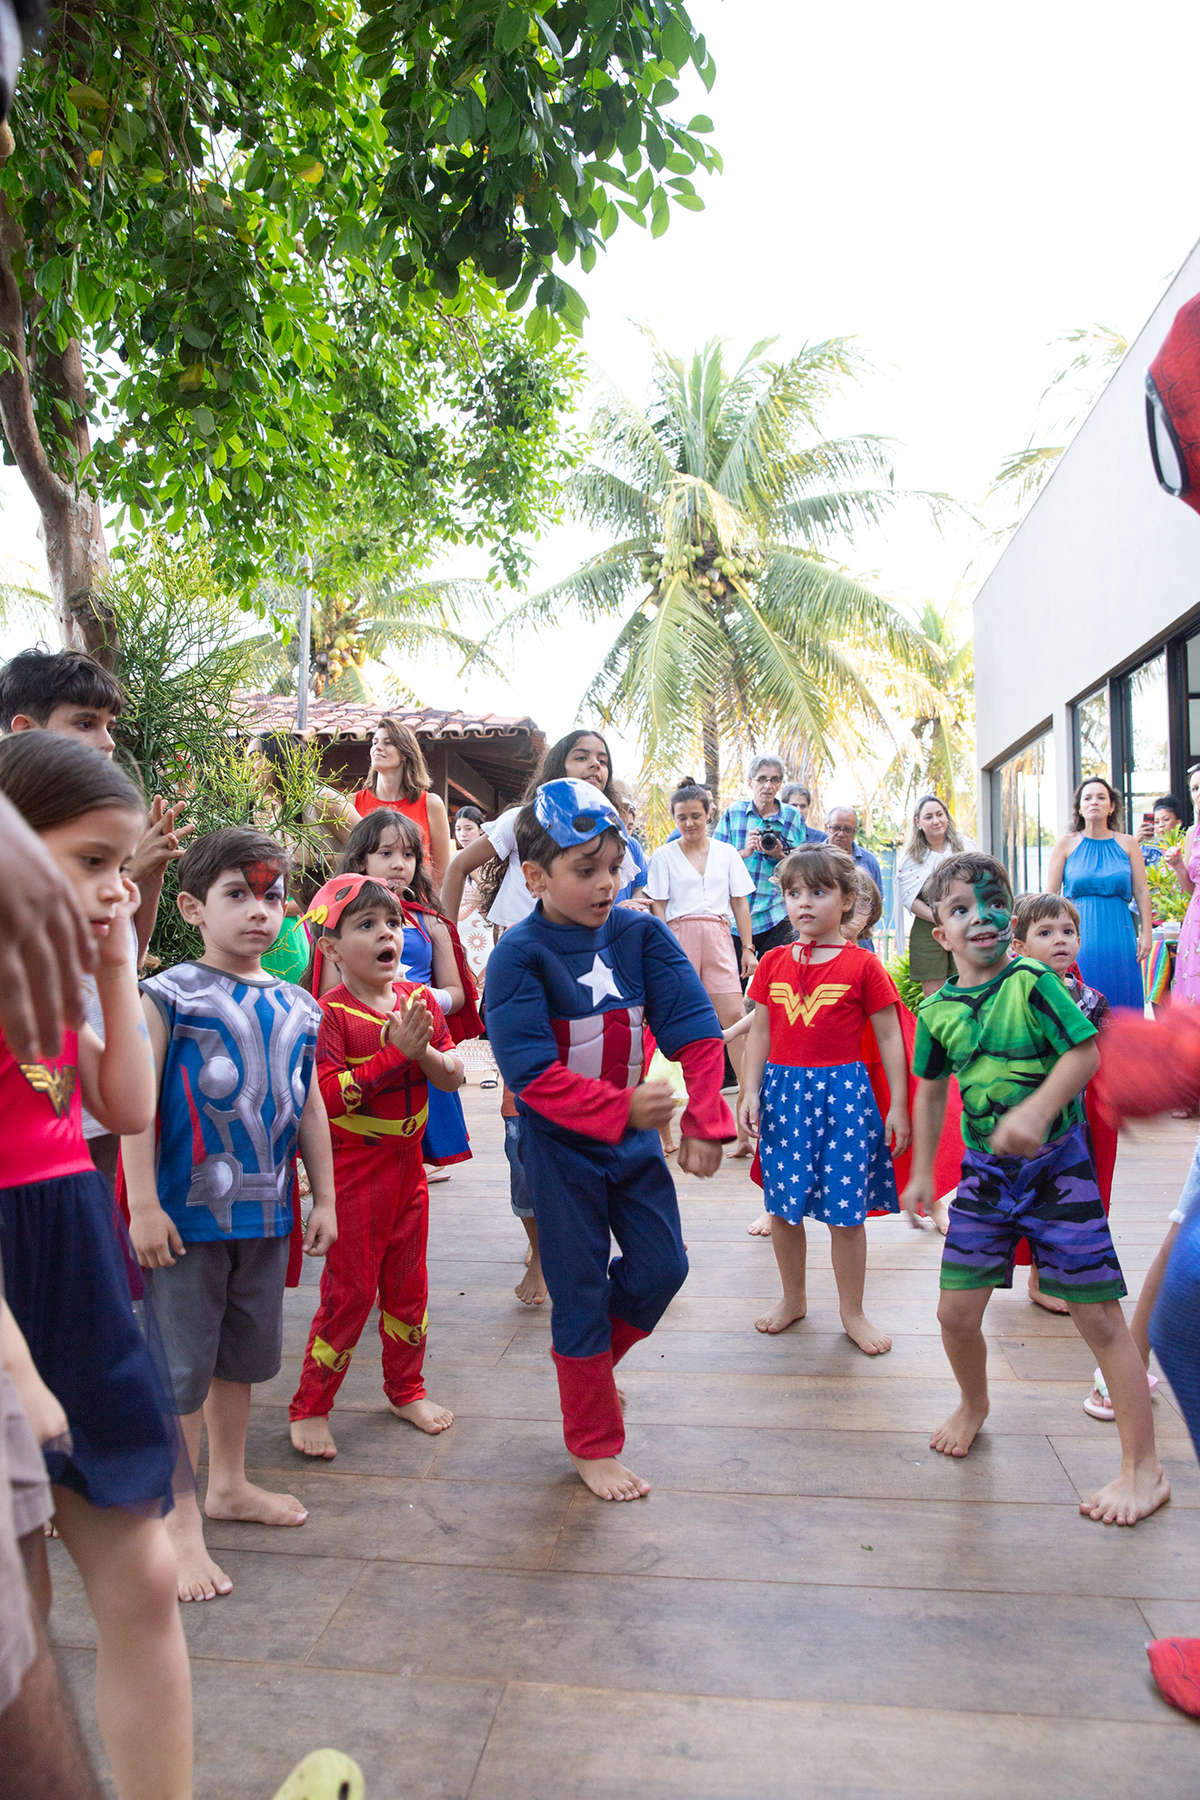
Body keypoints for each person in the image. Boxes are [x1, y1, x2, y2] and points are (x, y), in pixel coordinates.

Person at [0, 733, 195, 1798]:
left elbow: (122, 1105)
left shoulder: (50, 979)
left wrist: (118, 965)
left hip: (75, 1261)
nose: (117, 888)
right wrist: (18, 1371)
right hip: (10, 1308)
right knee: (16, 1621)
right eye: (90, 862)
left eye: (123, 867)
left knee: (147, 1579)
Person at [901, 850, 1169, 1525]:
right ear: (943, 934)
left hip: (1058, 1170)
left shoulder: (1033, 981)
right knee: (954, 1315)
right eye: (962, 909)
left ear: (1011, 917)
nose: (981, 919)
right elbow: (931, 1089)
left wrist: (1037, 1109)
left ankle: (1145, 1468)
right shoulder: (939, 1012)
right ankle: (974, 1402)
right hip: (987, 1180)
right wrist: (921, 1172)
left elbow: (1084, 1053)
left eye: (994, 904)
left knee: (1100, 1319)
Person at [485, 779, 734, 1500]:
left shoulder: (641, 933)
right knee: (580, 1292)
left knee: (664, 1269)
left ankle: (589, 1374)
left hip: (629, 1148)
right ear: (535, 877)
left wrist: (707, 1117)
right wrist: (626, 1109)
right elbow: (530, 1077)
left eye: (614, 866)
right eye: (583, 869)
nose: (606, 883)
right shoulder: (518, 958)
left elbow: (693, 1028)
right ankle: (591, 1440)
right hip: (559, 1154)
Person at [123, 827, 338, 1604]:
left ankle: (231, 1485)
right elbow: (135, 1104)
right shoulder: (170, 993)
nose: (259, 911)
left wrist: (326, 1194)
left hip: (265, 1217)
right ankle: (179, 1519)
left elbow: (309, 1102)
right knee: (181, 1371)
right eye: (238, 894)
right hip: (183, 1219)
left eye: (273, 896)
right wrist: (142, 1202)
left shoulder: (299, 1003)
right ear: (191, 906)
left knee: (240, 1360)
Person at [441, 730, 641, 1305]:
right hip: (527, 984)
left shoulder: (614, 831)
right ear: (557, 764)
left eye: (603, 758)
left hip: (590, 987)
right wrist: (444, 947)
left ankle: (586, 1245)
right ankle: (538, 1248)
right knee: (523, 1118)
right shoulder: (521, 818)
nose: (594, 766)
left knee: (590, 1109)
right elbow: (457, 866)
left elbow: (628, 905)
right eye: (582, 755)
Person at [0, 648, 195, 1182]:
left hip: (73, 1177)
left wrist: (117, 958)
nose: (107, 741)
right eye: (86, 722)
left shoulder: (51, 994)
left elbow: (130, 1111)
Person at [289, 875, 463, 1457]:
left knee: (409, 1286)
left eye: (391, 923)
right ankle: (311, 1406)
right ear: (332, 948)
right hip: (355, 1172)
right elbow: (329, 1097)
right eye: (365, 925)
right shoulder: (329, 1015)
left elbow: (453, 1074)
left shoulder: (418, 1001)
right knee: (351, 1293)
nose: (386, 933)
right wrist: (397, 1057)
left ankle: (405, 1388)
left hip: (408, 1168)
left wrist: (427, 1055)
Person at [739, 845, 911, 1354]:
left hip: (845, 1099)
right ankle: (793, 1298)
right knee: (783, 1208)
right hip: (784, 1096)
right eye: (794, 894)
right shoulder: (771, 962)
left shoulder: (863, 966)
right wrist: (749, 1090)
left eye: (819, 892)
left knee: (845, 1213)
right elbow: (761, 1034)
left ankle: (852, 1311)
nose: (804, 904)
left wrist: (897, 1105)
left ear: (848, 899)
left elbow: (890, 1038)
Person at [330, 811, 476, 1180]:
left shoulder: (431, 921)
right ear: (360, 859)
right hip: (359, 1051)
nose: (399, 864)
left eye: (409, 855)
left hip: (422, 1040)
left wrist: (421, 999)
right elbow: (326, 993)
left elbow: (457, 993)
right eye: (386, 853)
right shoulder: (335, 926)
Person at [1009, 893, 1120, 1327]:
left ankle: (1058, 1277)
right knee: (1032, 1197)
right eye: (1045, 932)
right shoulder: (1011, 994)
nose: (1060, 940)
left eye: (1068, 932)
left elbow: (1107, 1056)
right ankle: (1035, 1278)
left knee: (1070, 1201)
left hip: (1077, 1123)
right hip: (1030, 1119)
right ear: (1018, 946)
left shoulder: (1091, 999)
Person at [646, 783, 757, 1154]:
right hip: (677, 939)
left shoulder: (727, 854)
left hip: (720, 938)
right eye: (682, 817)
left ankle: (745, 1130)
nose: (690, 823)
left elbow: (740, 903)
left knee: (735, 1024)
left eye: (696, 816)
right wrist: (665, 950)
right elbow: (657, 907)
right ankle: (663, 1132)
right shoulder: (662, 856)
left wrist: (748, 948)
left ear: (709, 814)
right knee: (669, 1028)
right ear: (674, 818)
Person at [1047, 777, 1151, 1012]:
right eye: (1088, 798)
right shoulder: (1065, 844)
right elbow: (1051, 895)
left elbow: (1142, 891)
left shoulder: (1128, 843)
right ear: (1080, 807)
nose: (1094, 802)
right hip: (1079, 935)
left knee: (1122, 998)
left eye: (1101, 797)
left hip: (1120, 933)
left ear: (1112, 806)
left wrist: (1146, 934)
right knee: (1082, 997)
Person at [713, 755, 809, 968]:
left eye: (774, 780)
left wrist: (778, 854)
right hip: (736, 915)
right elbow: (714, 861)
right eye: (762, 779)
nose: (768, 785)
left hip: (776, 914)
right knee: (733, 984)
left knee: (777, 985)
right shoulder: (734, 812)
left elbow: (803, 868)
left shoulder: (792, 816)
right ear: (750, 782)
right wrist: (744, 852)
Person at [351, 717, 452, 888]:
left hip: (416, 905)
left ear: (405, 754)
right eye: (375, 742)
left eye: (388, 742)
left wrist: (424, 910)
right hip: (367, 905)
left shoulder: (431, 804)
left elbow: (441, 874)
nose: (378, 748)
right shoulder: (351, 802)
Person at [896, 794, 976, 997]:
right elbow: (909, 899)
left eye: (940, 814)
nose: (936, 821)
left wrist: (955, 920)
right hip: (927, 926)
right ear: (918, 822)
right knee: (934, 995)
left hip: (965, 923)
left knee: (967, 984)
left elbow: (979, 885)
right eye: (929, 816)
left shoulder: (966, 847)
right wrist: (940, 919)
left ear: (947, 817)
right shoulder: (911, 859)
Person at [1164, 764, 1200, 1002]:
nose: (1199, 792)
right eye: (1195, 788)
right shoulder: (1193, 833)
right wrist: (1178, 865)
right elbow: (1191, 888)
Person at [824, 807, 883, 944]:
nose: (841, 834)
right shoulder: (811, 859)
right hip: (822, 939)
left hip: (860, 938)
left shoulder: (869, 861)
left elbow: (876, 902)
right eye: (836, 828)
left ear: (855, 832)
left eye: (848, 830)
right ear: (827, 828)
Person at [451, 804, 495, 987]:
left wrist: (475, 871)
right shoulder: (451, 858)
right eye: (458, 829)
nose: (463, 834)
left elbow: (493, 896)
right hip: (459, 931)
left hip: (483, 933)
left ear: (480, 829)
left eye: (468, 829)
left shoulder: (493, 861)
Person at [1137, 793, 1184, 867]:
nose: (1161, 825)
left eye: (1166, 819)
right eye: (1156, 822)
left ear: (1179, 822)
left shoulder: (1188, 846)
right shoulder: (1148, 849)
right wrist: (1135, 842)